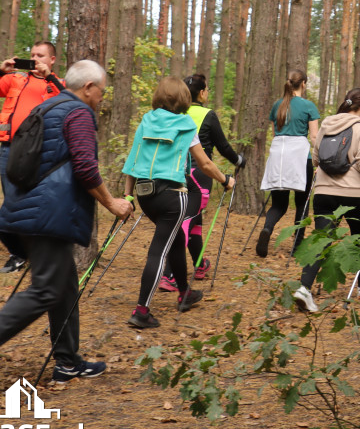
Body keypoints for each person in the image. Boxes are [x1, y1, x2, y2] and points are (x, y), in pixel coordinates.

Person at [0, 60, 133, 395]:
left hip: (27, 208)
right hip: (48, 213)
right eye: (101, 92)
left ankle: (67, 361)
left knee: (63, 287)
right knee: (46, 290)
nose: (101, 99)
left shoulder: (47, 106)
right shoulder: (77, 112)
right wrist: (112, 203)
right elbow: (84, 165)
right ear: (89, 87)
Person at [122, 77, 235, 329]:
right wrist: (225, 179)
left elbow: (133, 160)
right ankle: (141, 311)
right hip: (173, 195)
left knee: (175, 240)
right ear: (183, 99)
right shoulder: (185, 123)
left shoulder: (146, 120)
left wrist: (128, 195)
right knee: (159, 249)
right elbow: (204, 163)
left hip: (145, 193)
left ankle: (184, 294)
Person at [292, 88, 360, 313]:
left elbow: (318, 160)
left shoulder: (326, 125)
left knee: (321, 242)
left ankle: (304, 289)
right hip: (354, 194)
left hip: (323, 193)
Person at [0, 41, 65, 273]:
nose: (35, 59)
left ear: (52, 59)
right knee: (11, 199)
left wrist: (49, 79)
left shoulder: (58, 84)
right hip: (9, 148)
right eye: (32, 54)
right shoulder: (16, 79)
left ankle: (35, 250)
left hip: (39, 151)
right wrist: (0, 70)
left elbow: (69, 102)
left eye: (41, 55)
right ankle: (19, 253)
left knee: (32, 200)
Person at [157, 74, 245, 292]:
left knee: (194, 220)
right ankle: (169, 274)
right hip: (200, 173)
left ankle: (199, 264)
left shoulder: (177, 113)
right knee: (187, 220)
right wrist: (238, 160)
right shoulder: (208, 114)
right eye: (207, 90)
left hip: (176, 171)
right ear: (202, 92)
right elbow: (222, 146)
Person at [256, 70, 320, 258]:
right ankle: (297, 246)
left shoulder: (278, 105)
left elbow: (276, 134)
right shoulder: (309, 106)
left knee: (279, 204)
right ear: (304, 84)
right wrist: (321, 156)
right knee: (302, 202)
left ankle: (267, 228)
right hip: (300, 158)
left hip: (279, 157)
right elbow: (314, 137)